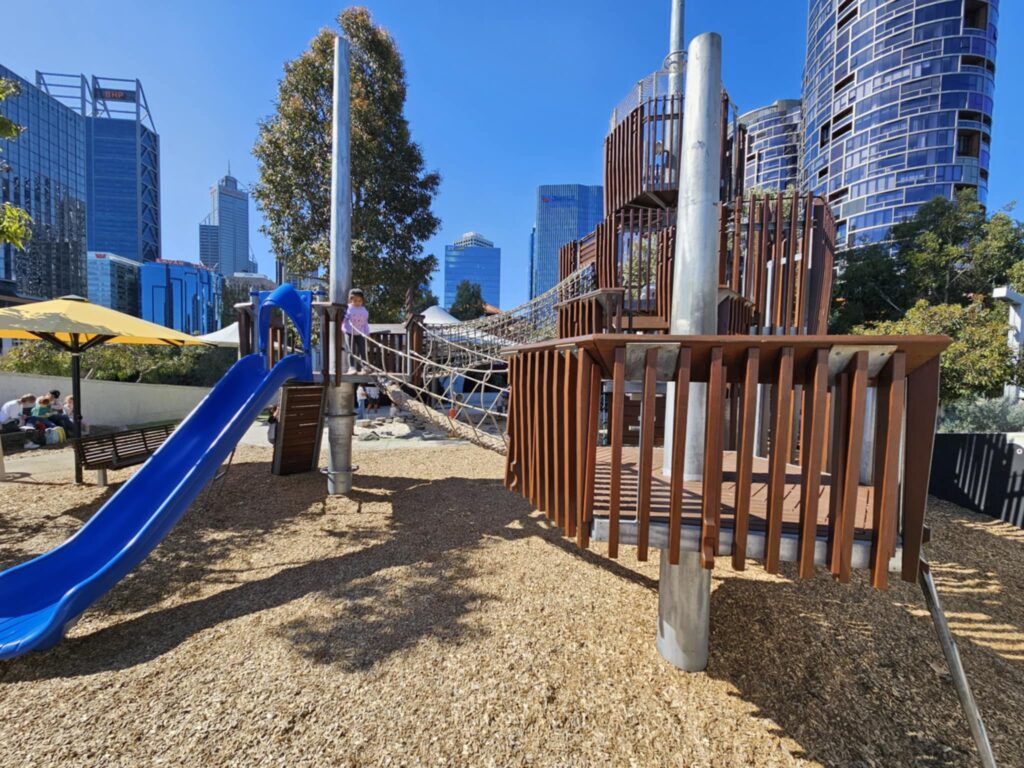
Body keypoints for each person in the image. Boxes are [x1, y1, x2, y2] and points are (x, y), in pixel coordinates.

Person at [342, 288, 370, 374]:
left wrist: (367, 333)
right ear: (350, 300)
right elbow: (343, 320)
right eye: (355, 301)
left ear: (362, 300)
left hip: (360, 333)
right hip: (349, 332)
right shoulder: (348, 308)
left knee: (362, 350)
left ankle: (364, 367)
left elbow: (365, 323)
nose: (357, 302)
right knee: (351, 350)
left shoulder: (364, 310)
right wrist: (343, 321)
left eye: (359, 301)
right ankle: (351, 367)